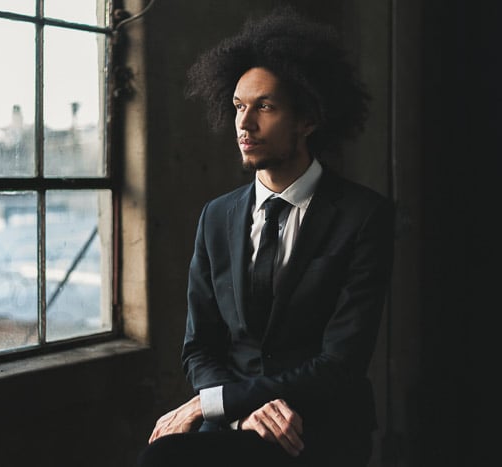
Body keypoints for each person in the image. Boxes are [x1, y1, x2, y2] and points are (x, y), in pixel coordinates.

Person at [138, 6, 395, 467]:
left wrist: (211, 403)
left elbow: (340, 363)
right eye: (238, 106)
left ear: (308, 119)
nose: (244, 124)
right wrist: (239, 412)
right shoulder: (216, 217)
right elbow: (200, 348)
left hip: (319, 430)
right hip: (236, 428)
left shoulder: (364, 217)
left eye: (265, 107)